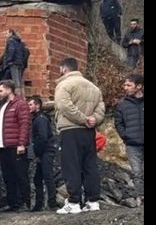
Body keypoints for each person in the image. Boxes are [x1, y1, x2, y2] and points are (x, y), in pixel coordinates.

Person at [53, 57, 105, 214]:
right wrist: (93, 119)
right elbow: (101, 108)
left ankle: (74, 202)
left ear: (64, 69)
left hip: (70, 130)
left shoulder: (64, 85)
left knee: (71, 166)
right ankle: (93, 201)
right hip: (88, 132)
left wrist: (82, 119)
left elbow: (64, 106)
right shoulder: (94, 87)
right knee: (89, 165)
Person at [0, 80, 31, 212]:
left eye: (1, 90)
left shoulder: (20, 104)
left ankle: (25, 203)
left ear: (9, 90)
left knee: (20, 175)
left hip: (15, 146)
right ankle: (13, 203)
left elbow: (24, 124)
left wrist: (21, 143)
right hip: (3, 146)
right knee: (8, 177)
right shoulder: (2, 106)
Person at [114, 74, 144, 204]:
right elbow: (118, 123)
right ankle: (141, 199)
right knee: (137, 173)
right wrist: (125, 136)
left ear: (139, 86)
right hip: (132, 145)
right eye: (125, 85)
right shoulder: (122, 105)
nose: (125, 87)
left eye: (129, 85)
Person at [28, 96, 57, 211]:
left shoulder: (40, 119)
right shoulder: (38, 118)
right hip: (43, 151)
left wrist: (37, 152)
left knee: (47, 177)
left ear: (37, 105)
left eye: (30, 105)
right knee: (38, 178)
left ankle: (52, 203)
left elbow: (42, 137)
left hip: (46, 151)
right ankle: (39, 204)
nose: (28, 107)